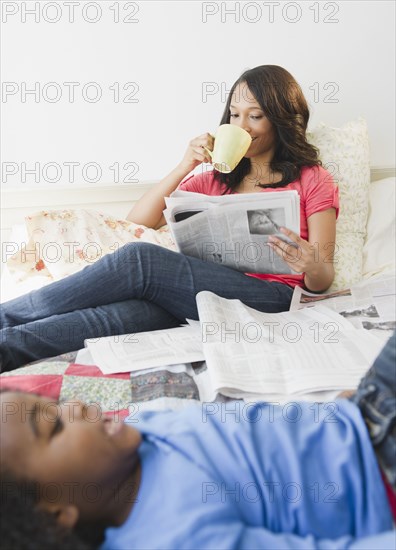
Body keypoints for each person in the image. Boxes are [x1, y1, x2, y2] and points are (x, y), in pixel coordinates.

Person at [0, 65, 339, 371]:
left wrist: (309, 263)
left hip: (273, 297)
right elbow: (138, 223)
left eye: (255, 116)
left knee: (140, 259)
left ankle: (5, 315)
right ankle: (8, 347)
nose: (241, 126)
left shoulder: (312, 178)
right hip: (197, 293)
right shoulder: (216, 178)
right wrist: (184, 166)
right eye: (234, 115)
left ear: (280, 119)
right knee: (120, 315)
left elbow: (322, 278)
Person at [1, 332, 395, 549]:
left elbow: (260, 434)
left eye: (59, 403)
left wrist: (332, 413)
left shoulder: (136, 433)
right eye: (54, 427)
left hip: (361, 413)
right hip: (380, 476)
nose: (80, 407)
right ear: (53, 515)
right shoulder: (170, 536)